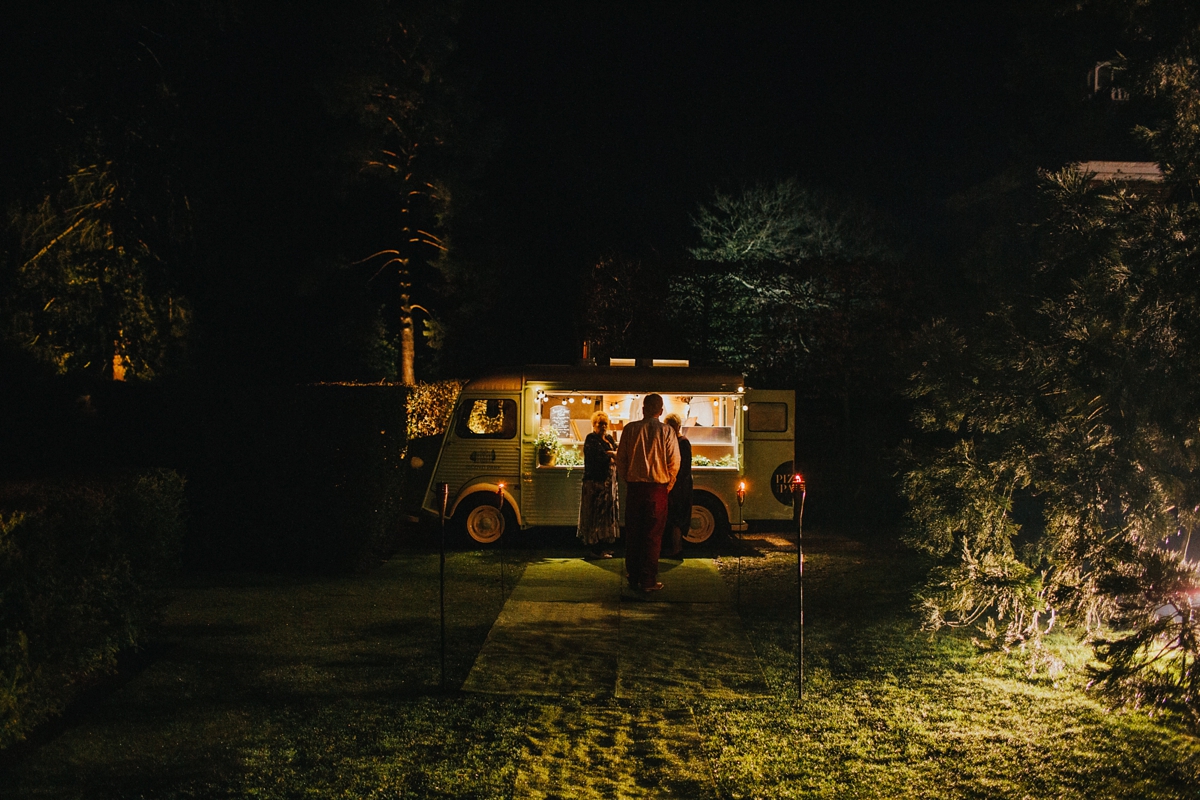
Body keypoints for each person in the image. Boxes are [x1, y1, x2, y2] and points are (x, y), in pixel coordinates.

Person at [615, 393, 680, 592]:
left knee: (633, 533)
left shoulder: (630, 429)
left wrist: (628, 478)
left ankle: (633, 575)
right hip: (657, 490)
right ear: (660, 411)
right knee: (653, 536)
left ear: (643, 409)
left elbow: (621, 459)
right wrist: (667, 486)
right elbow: (674, 462)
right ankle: (648, 580)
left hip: (635, 488)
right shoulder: (667, 431)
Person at [577, 410, 620, 558]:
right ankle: (594, 548)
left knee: (606, 515)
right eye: (600, 424)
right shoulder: (591, 438)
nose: (603, 426)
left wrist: (611, 454)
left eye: (605, 424)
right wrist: (611, 455)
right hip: (595, 483)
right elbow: (598, 457)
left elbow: (616, 453)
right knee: (595, 515)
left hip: (609, 483)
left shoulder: (608, 438)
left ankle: (603, 546)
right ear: (594, 424)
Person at [662, 413, 692, 558]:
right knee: (674, 518)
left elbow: (683, 468)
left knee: (676, 518)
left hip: (679, 486)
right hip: (678, 485)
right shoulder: (680, 441)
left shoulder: (682, 442)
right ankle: (675, 548)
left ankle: (677, 549)